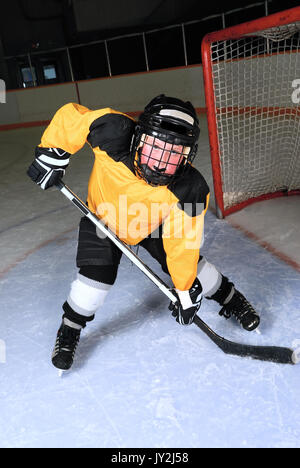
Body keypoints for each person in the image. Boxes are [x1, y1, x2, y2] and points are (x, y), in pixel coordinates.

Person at [27, 94, 260, 371]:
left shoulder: (191, 189)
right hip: (102, 220)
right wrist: (53, 150)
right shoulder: (113, 131)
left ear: (187, 156)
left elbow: (183, 245)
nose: (161, 163)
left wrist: (185, 290)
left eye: (174, 153)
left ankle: (233, 300)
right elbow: (73, 118)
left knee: (194, 268)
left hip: (150, 226)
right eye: (156, 147)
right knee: (93, 285)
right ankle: (69, 329)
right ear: (139, 136)